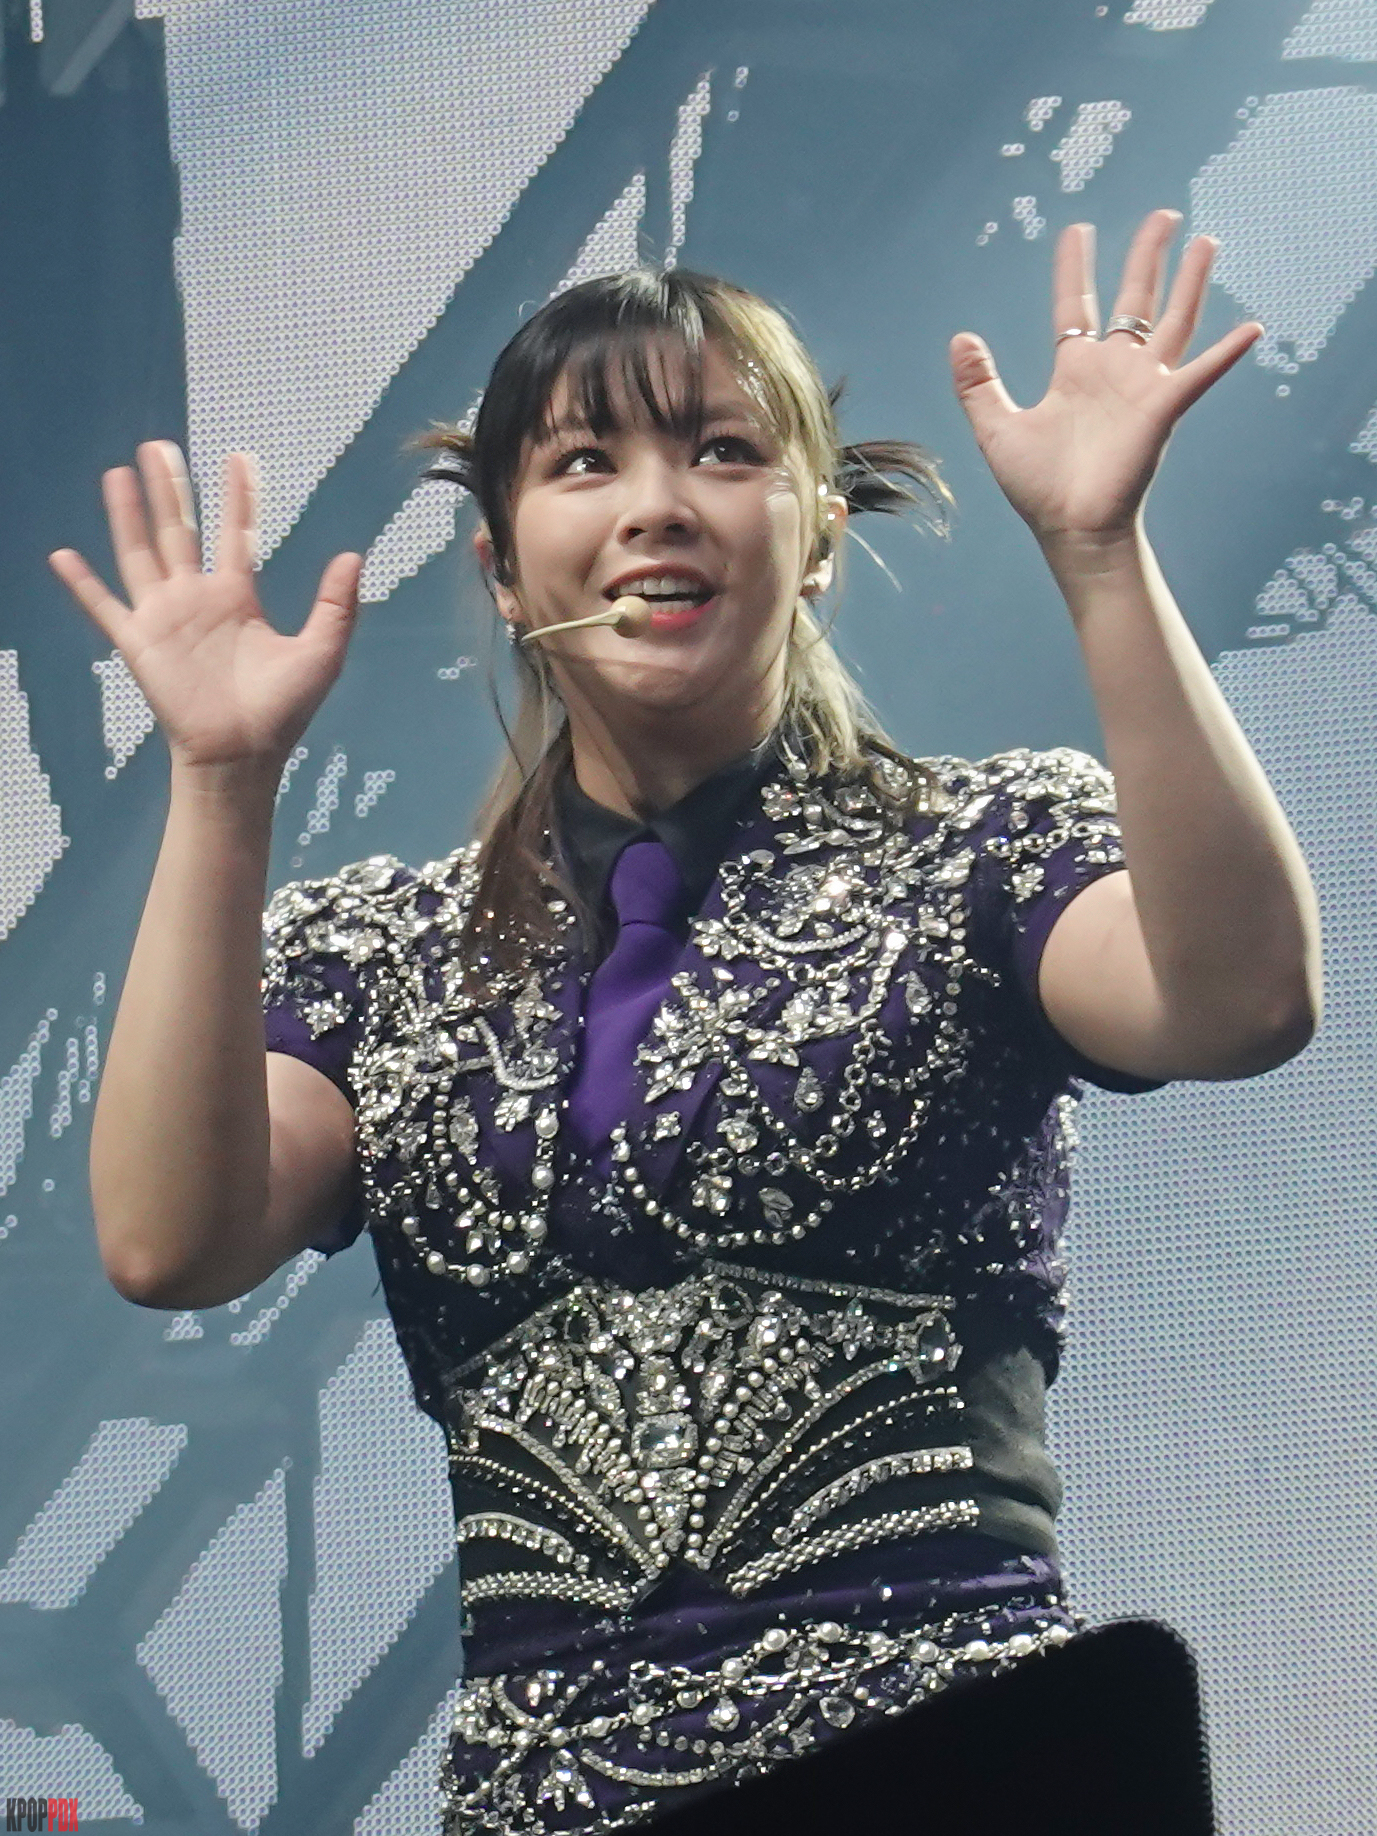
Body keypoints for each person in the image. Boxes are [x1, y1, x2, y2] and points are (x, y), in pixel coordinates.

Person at [51, 209, 1320, 1833]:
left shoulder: (978, 850)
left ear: (817, 537)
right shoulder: (373, 959)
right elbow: (168, 1239)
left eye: (723, 451)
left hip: (952, 1766)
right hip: (550, 1801)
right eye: (584, 463)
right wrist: (221, 780)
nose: (656, 503)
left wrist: (1096, 554)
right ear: (502, 569)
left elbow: (1235, 1000)